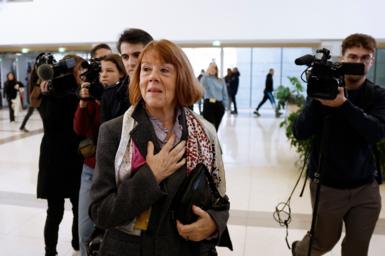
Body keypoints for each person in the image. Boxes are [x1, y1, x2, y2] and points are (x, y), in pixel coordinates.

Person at [89, 39, 231, 256]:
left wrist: (213, 223)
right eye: (146, 69)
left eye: (164, 70)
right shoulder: (114, 132)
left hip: (190, 250)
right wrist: (150, 176)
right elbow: (100, 212)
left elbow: (219, 199)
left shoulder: (205, 132)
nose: (152, 76)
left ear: (181, 79)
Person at [291, 33, 385, 256]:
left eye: (365, 58)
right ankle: (299, 251)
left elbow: (376, 131)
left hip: (366, 187)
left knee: (357, 249)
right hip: (328, 185)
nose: (358, 62)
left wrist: (343, 105)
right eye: (353, 56)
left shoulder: (377, 95)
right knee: (323, 242)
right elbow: (300, 131)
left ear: (372, 61)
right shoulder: (324, 89)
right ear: (342, 58)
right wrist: (318, 100)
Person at [31, 54, 85, 256]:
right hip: (53, 158)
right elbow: (51, 123)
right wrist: (48, 95)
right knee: (55, 211)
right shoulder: (46, 92)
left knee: (79, 206)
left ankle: (77, 242)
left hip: (75, 156)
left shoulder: (77, 90)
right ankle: (50, 251)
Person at [74, 53, 126, 256]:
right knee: (85, 231)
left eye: (110, 71)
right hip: (90, 168)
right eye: (101, 71)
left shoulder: (122, 99)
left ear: (121, 74)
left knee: (111, 232)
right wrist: (84, 102)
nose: (104, 75)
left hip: (116, 171)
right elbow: (79, 128)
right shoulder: (93, 96)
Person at [100, 28, 153, 122]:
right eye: (125, 57)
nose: (130, 63)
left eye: (137, 55)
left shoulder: (164, 90)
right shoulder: (109, 95)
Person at [201, 62, 229, 130]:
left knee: (215, 128)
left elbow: (225, 93)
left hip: (219, 105)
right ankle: (210, 140)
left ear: (216, 70)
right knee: (209, 127)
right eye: (211, 68)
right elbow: (201, 84)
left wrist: (225, 105)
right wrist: (206, 73)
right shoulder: (206, 78)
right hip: (208, 104)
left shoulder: (221, 80)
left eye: (214, 68)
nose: (212, 70)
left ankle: (213, 140)